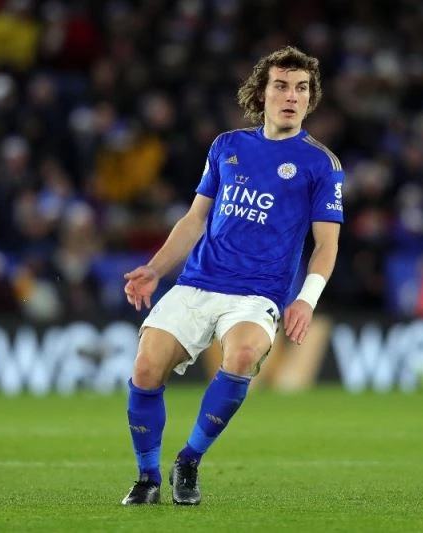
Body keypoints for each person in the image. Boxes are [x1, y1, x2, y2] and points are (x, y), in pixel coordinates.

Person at [120, 46, 344, 506]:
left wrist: (306, 299)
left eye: (301, 88)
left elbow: (327, 245)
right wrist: (155, 269)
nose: (292, 96)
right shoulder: (227, 146)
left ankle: (189, 460)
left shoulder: (321, 164)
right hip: (197, 283)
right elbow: (194, 220)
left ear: (310, 98)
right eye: (281, 86)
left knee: (241, 356)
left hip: (256, 295)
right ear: (262, 93)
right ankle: (147, 477)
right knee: (145, 368)